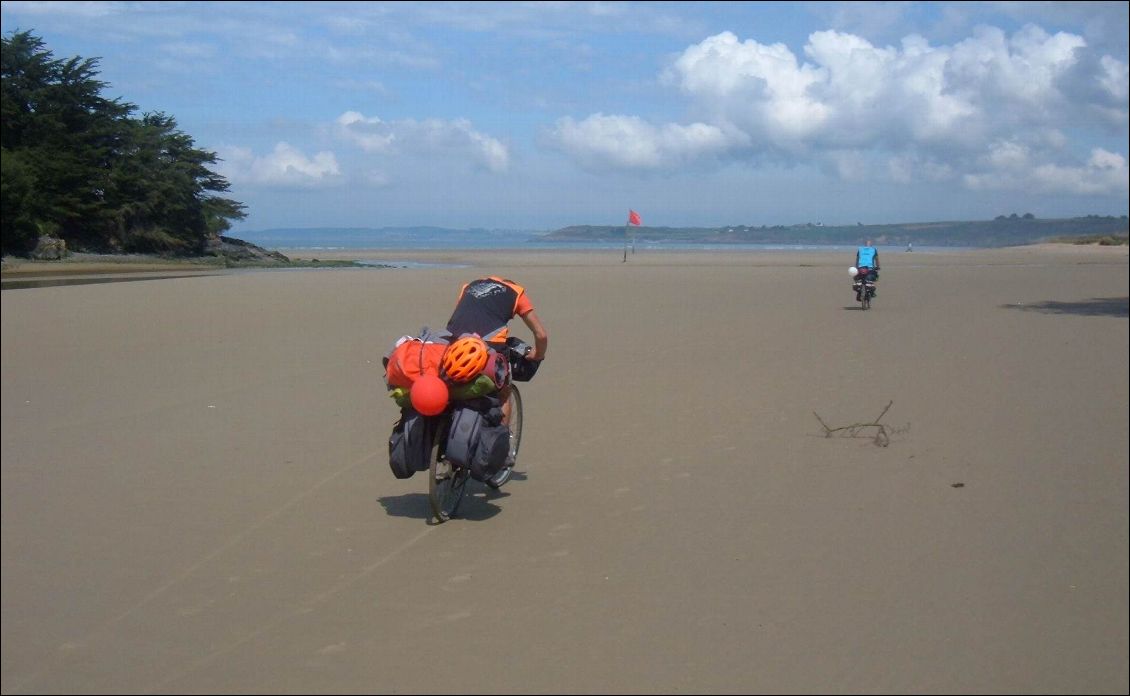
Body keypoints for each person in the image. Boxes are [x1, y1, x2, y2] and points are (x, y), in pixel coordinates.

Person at [446, 275, 548, 419]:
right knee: (504, 393)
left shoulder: (469, 286)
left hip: (454, 342)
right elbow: (541, 335)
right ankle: (502, 437)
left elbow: (463, 318)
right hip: (490, 345)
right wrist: (537, 355)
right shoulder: (516, 292)